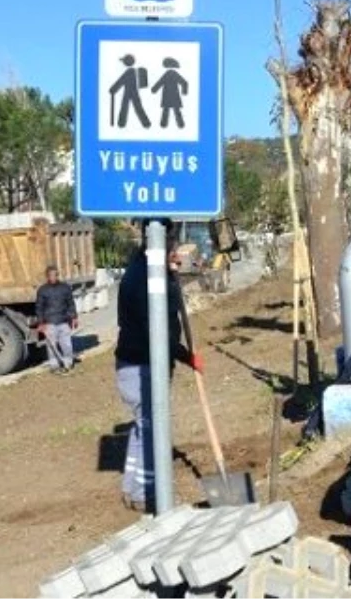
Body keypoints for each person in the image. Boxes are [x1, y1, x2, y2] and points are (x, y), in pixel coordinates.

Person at [114, 219, 200, 512]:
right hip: (141, 367)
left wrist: (169, 275)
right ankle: (146, 494)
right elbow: (157, 329)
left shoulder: (145, 270)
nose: (175, 252)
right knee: (153, 430)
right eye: (172, 247)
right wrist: (186, 356)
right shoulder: (144, 278)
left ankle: (132, 488)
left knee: (143, 429)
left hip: (136, 364)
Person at [35, 263, 78, 374]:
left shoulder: (65, 288)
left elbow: (71, 304)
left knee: (66, 344)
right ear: (47, 276)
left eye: (55, 275)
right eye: (51, 275)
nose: (53, 277)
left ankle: (68, 363)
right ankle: (54, 365)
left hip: (64, 321)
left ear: (57, 275)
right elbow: (39, 307)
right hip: (49, 323)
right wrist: (41, 323)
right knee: (51, 346)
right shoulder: (42, 290)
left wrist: (74, 317)